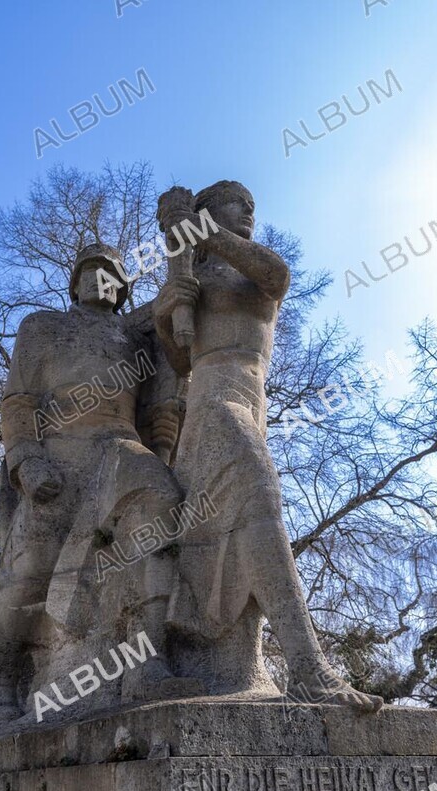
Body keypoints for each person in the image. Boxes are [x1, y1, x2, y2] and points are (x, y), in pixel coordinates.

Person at [153, 181, 382, 711]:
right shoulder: (193, 274)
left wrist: (197, 226)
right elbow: (180, 360)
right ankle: (309, 668)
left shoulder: (255, 267)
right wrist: (169, 314)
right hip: (212, 406)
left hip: (251, 405)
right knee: (259, 494)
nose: (250, 210)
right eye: (237, 202)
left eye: (251, 203)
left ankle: (275, 663)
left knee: (246, 527)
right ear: (210, 210)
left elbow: (275, 275)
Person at [0, 243, 187, 725]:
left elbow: (161, 410)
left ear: (122, 288)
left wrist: (165, 453)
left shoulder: (137, 339)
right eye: (90, 271)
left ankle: (145, 658)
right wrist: (27, 461)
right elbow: (18, 404)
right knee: (33, 568)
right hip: (61, 454)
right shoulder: (42, 328)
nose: (99, 279)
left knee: (162, 503)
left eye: (111, 272)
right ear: (73, 284)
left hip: (120, 450)